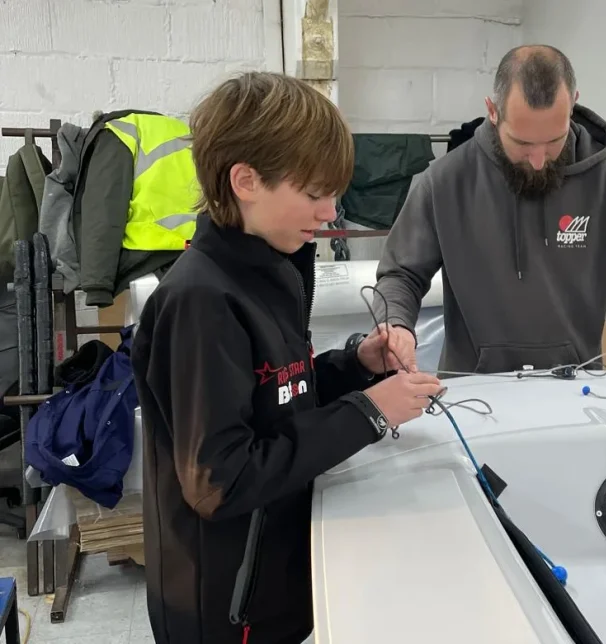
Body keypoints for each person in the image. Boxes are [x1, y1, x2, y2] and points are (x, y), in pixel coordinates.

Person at [130, 72, 444, 644]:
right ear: (246, 180)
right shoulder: (202, 300)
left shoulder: (272, 267)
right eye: (314, 193)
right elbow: (219, 481)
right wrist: (370, 412)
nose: (329, 212)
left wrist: (357, 366)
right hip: (226, 604)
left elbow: (277, 397)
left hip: (274, 574)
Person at [373, 44, 606, 375]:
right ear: (493, 110)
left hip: (574, 387)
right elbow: (402, 274)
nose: (538, 159)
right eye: (522, 143)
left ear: (572, 105)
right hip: (473, 392)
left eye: (553, 141)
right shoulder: (445, 182)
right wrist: (395, 323)